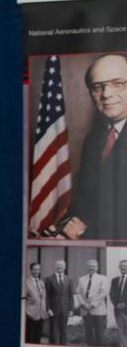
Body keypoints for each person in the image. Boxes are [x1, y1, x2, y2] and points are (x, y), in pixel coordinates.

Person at [62, 54, 127, 240]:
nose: (106, 94)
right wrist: (61, 229)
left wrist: (83, 234)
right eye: (97, 87)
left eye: (118, 83)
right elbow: (85, 200)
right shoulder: (93, 140)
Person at [75, 258, 110, 346]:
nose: (91, 268)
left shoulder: (102, 278)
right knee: (88, 333)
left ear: (97, 268)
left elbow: (103, 293)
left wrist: (92, 305)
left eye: (93, 266)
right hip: (85, 310)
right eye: (89, 266)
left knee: (99, 334)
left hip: (98, 310)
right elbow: (78, 293)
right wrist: (83, 304)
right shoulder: (81, 279)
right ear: (87, 267)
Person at [45, 260, 74, 344]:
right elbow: (47, 295)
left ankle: (63, 345)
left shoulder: (69, 279)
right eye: (58, 265)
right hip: (53, 309)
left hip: (65, 308)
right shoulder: (49, 278)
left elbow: (70, 295)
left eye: (61, 265)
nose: (59, 267)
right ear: (55, 266)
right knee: (53, 329)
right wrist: (48, 308)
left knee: (63, 329)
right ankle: (53, 346)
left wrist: (71, 309)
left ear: (64, 267)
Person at [24, 262, 47, 343]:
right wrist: (26, 312)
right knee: (30, 337)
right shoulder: (26, 282)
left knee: (38, 338)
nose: (37, 271)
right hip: (31, 315)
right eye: (34, 269)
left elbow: (43, 298)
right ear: (30, 270)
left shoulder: (41, 282)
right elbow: (23, 299)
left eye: (38, 270)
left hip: (41, 314)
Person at [110, 260, 127, 345]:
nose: (123, 268)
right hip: (118, 310)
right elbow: (111, 294)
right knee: (120, 332)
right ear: (119, 268)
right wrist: (116, 304)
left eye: (125, 266)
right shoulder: (115, 280)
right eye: (121, 266)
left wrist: (125, 304)